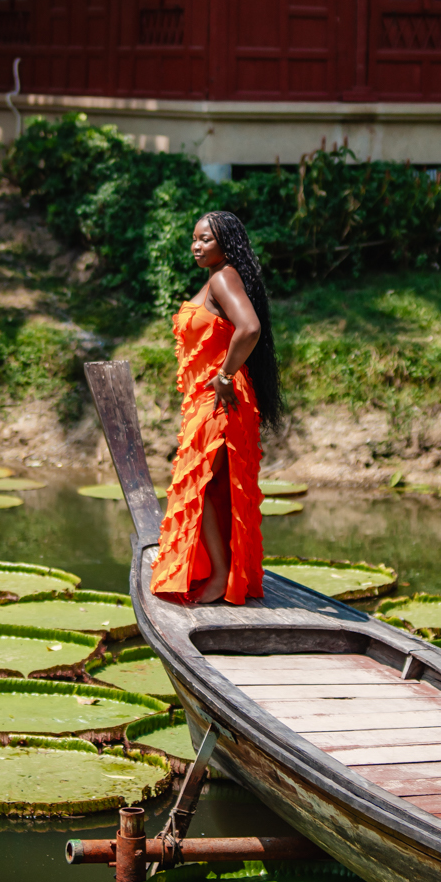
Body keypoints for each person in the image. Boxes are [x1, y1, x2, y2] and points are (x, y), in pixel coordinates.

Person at [151, 210, 282, 605]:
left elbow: (251, 328)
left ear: (227, 242)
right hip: (208, 399)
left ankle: (220, 575)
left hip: (220, 399)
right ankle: (222, 575)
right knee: (211, 487)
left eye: (205, 239)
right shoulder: (216, 279)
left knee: (204, 485)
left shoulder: (224, 278)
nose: (196, 245)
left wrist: (224, 375)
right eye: (194, 238)